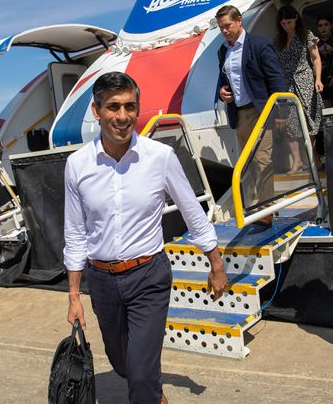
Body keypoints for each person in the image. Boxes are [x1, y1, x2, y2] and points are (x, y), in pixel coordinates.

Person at [64, 72, 228, 404]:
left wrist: (216, 263)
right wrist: (73, 294)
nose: (122, 117)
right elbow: (75, 231)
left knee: (139, 376)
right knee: (122, 362)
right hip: (102, 281)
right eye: (113, 107)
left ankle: (148, 392)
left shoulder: (160, 157)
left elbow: (192, 211)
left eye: (130, 107)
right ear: (97, 111)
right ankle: (152, 391)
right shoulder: (77, 165)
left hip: (148, 277)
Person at [216, 4, 285, 205]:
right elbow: (223, 80)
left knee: (262, 159)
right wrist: (222, 93)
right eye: (221, 27)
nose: (224, 31)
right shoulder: (223, 51)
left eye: (227, 25)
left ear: (239, 21)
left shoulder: (259, 45)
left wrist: (280, 112)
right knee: (248, 162)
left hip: (261, 111)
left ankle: (267, 207)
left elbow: (276, 78)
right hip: (239, 114)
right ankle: (258, 202)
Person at [274, 5, 324, 174]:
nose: (286, 26)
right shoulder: (278, 41)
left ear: (296, 18)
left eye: (289, 22)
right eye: (283, 23)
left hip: (305, 80)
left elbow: (316, 59)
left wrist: (318, 79)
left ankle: (314, 158)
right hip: (287, 84)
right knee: (290, 124)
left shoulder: (306, 35)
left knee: (309, 122)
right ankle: (297, 161)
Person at [316, 15, 333, 108]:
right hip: (322, 80)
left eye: (326, 24)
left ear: (331, 25)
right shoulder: (315, 43)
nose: (323, 27)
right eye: (320, 25)